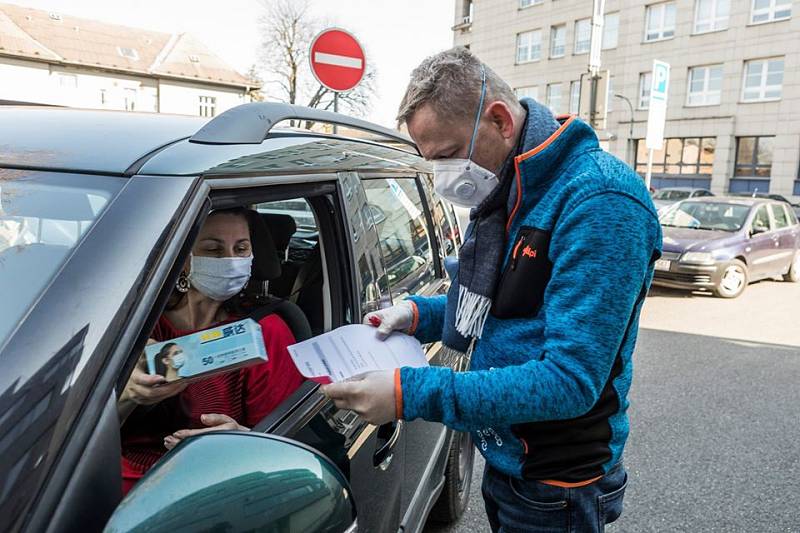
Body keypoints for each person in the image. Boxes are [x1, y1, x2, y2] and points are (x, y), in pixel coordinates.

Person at [323, 48, 662, 532]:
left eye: (446, 156)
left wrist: (407, 393)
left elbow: (569, 381)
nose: (442, 177)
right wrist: (419, 316)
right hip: (507, 456)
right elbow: (505, 307)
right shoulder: (509, 189)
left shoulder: (601, 202)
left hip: (556, 480)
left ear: (500, 121)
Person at [118, 208, 305, 495]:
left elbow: (281, 445)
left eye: (241, 248)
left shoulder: (264, 333)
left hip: (207, 490)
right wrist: (126, 394)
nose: (230, 260)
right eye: (213, 249)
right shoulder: (138, 322)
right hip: (110, 480)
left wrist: (239, 441)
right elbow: (79, 431)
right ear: (182, 259)